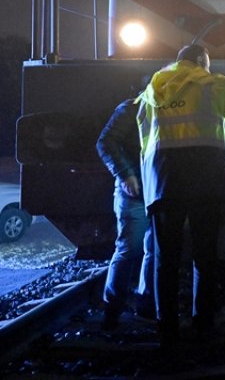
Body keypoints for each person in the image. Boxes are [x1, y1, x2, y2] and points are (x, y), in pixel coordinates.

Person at [136, 44, 225, 349]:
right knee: (205, 256)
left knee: (165, 260)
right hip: (204, 181)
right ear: (202, 63)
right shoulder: (209, 83)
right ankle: (203, 325)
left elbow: (145, 141)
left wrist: (150, 185)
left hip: (163, 182)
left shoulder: (152, 91)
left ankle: (167, 329)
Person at [95, 90, 155, 330]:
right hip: (139, 194)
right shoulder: (132, 108)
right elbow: (105, 142)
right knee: (133, 249)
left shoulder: (142, 108)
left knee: (147, 250)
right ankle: (115, 308)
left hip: (151, 193)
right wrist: (125, 174)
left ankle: (139, 307)